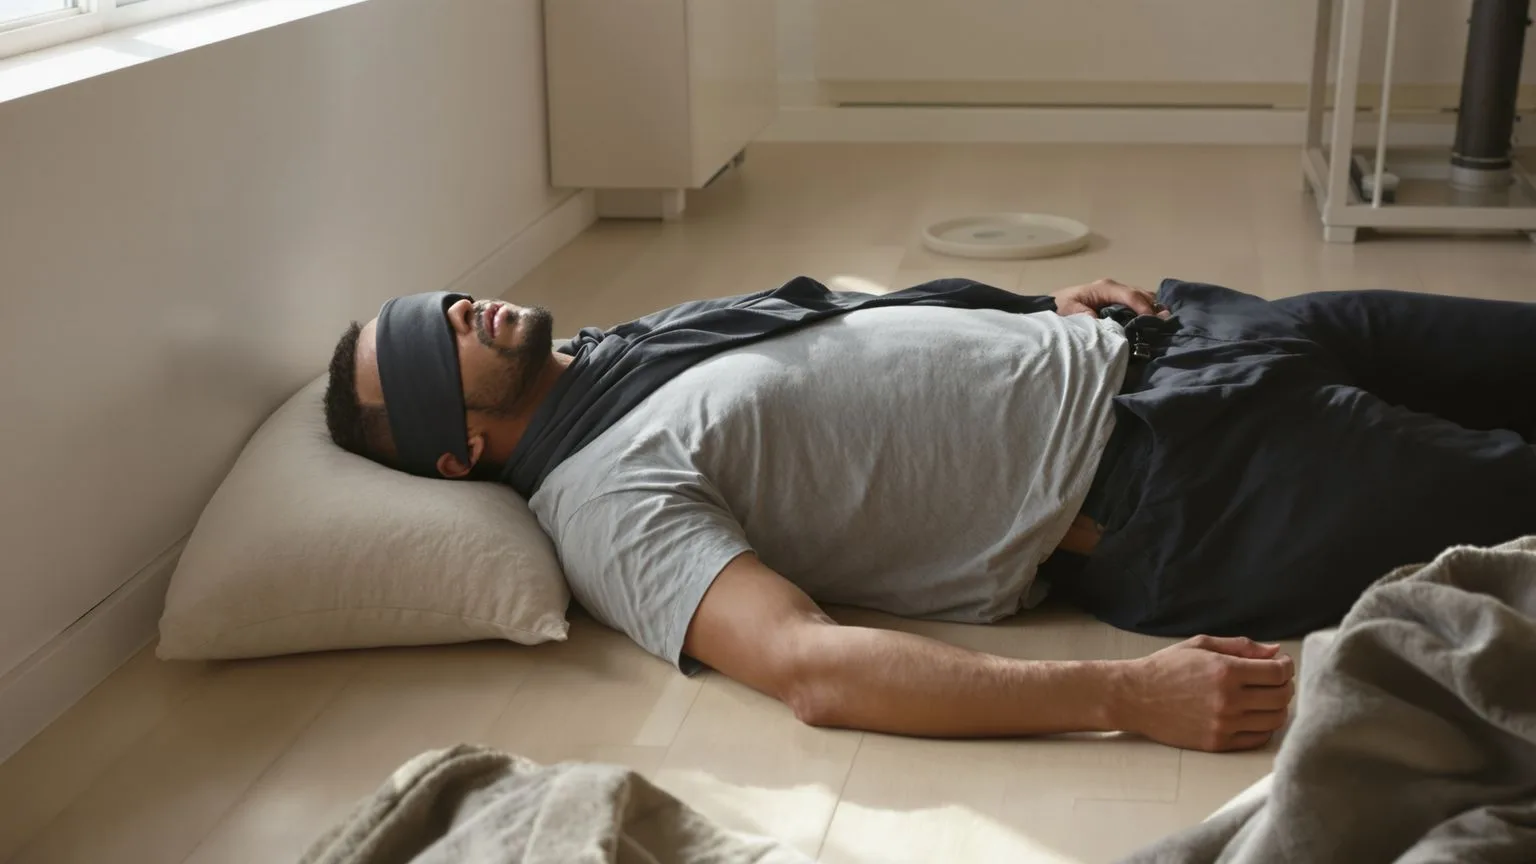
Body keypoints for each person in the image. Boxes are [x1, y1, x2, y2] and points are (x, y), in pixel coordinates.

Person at [323, 277, 1536, 753]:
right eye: (433, 346)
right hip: (1191, 486)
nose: (460, 308)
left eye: (436, 297)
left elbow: (851, 340)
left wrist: (1032, 310)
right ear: (455, 451)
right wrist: (1123, 697)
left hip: (1197, 334)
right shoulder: (604, 503)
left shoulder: (626, 348)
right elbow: (811, 668)